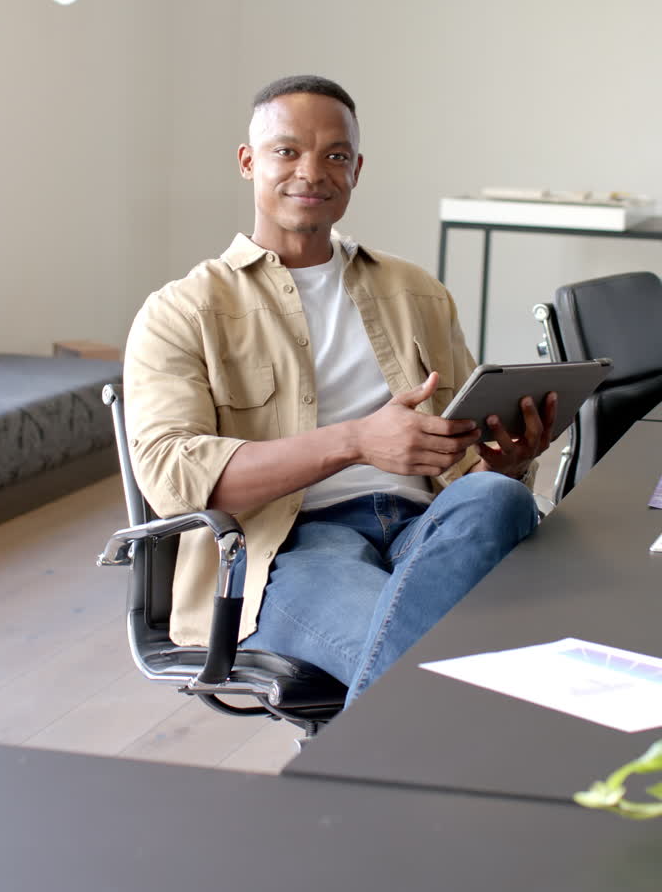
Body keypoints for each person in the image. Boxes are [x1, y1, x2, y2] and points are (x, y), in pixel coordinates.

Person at [124, 75, 556, 705]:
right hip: (290, 546)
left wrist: (508, 458)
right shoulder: (183, 310)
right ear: (248, 162)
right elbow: (171, 478)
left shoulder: (417, 292)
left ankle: (358, 781)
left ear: (356, 170)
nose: (312, 171)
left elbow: (464, 454)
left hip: (426, 526)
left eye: (334, 155)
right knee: (435, 670)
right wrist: (357, 441)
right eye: (286, 151)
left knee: (499, 499)